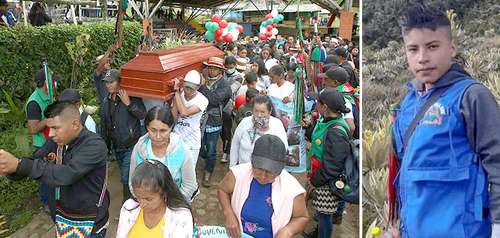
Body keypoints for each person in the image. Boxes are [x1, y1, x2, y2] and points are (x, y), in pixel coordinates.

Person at [391, 3, 500, 237]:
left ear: (451, 47)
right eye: (413, 49)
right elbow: (404, 172)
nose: (422, 58)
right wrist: (398, 224)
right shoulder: (407, 103)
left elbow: (498, 163)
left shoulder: (471, 97)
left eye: (432, 46)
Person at [0, 102, 110, 237]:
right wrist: (10, 167)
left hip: (91, 223)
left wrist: (19, 165)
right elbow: (34, 161)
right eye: (49, 128)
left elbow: (67, 174)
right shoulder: (56, 142)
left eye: (55, 128)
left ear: (75, 124)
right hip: (63, 220)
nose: (51, 134)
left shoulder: (95, 145)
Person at [218, 134, 309, 238]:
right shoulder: (238, 173)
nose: (263, 176)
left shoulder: (292, 189)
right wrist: (228, 213)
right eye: (259, 169)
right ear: (252, 161)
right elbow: (222, 190)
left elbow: (302, 217)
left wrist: (288, 231)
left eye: (270, 172)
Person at [304, 88, 352, 238]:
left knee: (325, 214)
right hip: (320, 176)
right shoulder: (326, 120)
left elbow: (333, 167)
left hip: (326, 181)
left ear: (324, 107)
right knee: (321, 210)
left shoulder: (336, 132)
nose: (315, 104)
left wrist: (314, 181)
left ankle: (323, 234)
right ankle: (319, 231)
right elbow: (317, 139)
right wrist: (308, 127)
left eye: (318, 102)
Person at [129, 106, 198, 203]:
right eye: (153, 130)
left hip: (174, 206)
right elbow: (132, 182)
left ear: (170, 128)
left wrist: (168, 206)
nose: (157, 137)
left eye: (163, 131)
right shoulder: (139, 149)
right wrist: (145, 202)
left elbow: (190, 186)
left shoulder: (182, 151)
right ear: (147, 128)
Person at [101, 69, 146, 202]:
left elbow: (142, 114)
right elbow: (104, 124)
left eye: (111, 82)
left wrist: (129, 104)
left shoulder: (131, 96)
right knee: (126, 176)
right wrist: (105, 145)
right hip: (116, 146)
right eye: (106, 82)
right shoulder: (106, 100)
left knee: (126, 177)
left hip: (130, 145)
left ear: (120, 82)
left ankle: (127, 205)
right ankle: (134, 199)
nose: (108, 85)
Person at [117, 160, 193, 238]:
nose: (142, 204)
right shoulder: (129, 208)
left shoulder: (181, 218)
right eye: (138, 197)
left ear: (164, 192)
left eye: (148, 199)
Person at [198, 57, 232, 187]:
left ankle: (208, 172)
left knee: (211, 148)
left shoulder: (225, 85)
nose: (212, 70)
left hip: (214, 119)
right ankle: (207, 158)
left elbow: (214, 100)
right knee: (200, 145)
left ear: (220, 70)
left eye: (215, 68)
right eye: (210, 67)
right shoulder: (204, 79)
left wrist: (201, 86)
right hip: (200, 118)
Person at [230, 95, 288, 167]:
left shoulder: (277, 124)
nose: (259, 115)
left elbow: (283, 148)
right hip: (244, 169)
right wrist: (232, 166)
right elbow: (235, 144)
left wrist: (264, 132)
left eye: (262, 112)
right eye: (256, 111)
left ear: (269, 111)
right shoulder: (245, 122)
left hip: (266, 171)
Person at [25, 67, 52, 209]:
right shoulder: (34, 103)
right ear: (45, 83)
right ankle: (45, 202)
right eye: (52, 80)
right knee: (44, 175)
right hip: (42, 145)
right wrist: (48, 120)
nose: (54, 83)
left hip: (52, 140)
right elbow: (32, 129)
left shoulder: (49, 96)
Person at [171, 70, 209, 166]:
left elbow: (184, 113)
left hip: (192, 142)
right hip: (176, 139)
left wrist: (176, 93)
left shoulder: (203, 100)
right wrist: (177, 96)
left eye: (192, 88)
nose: (188, 90)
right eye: (186, 87)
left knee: (188, 173)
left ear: (198, 87)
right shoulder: (179, 95)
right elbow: (174, 117)